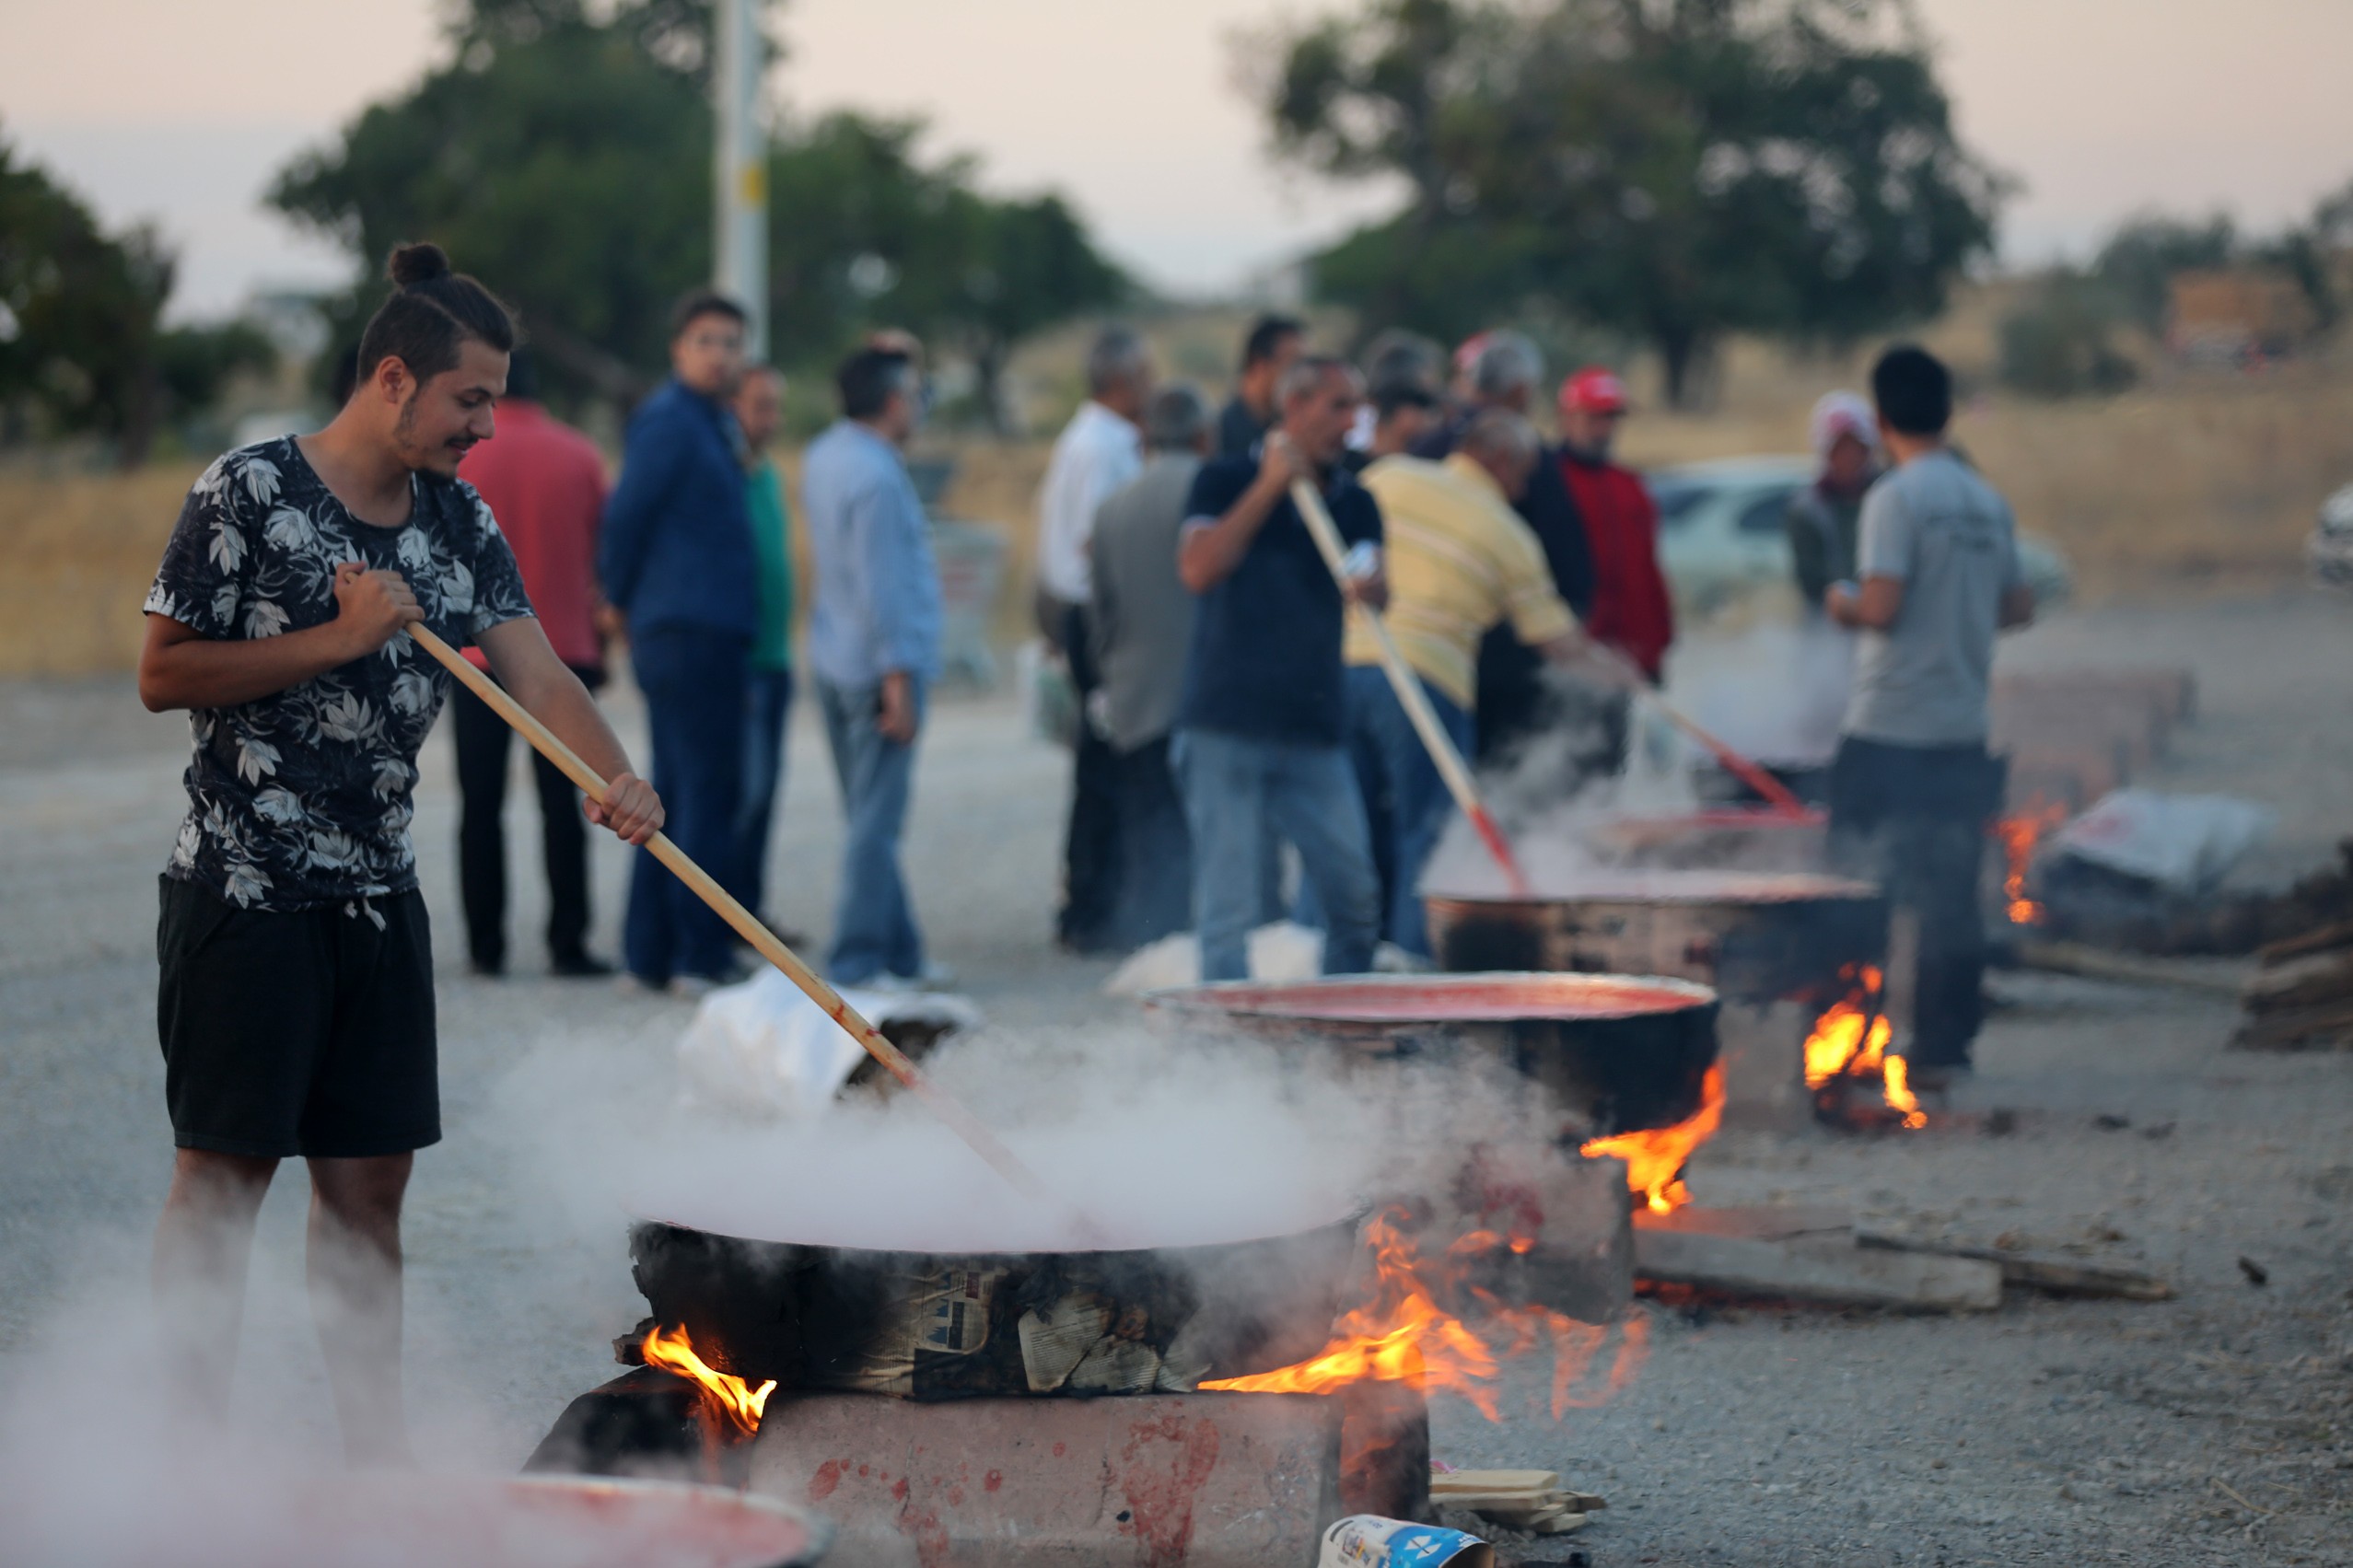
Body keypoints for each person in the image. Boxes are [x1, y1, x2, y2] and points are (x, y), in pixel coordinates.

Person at [138, 243, 663, 1461]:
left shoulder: (455, 515)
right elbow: (163, 673)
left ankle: (372, 1458)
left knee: (368, 1194)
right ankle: (178, 1456)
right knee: (222, 1187)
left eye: (492, 396)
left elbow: (535, 667)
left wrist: (615, 776)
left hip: (378, 899)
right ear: (393, 379)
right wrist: (338, 635)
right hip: (243, 891)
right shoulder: (247, 491)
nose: (486, 423)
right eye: (470, 397)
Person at [1826, 344, 2034, 1084]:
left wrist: (1839, 602)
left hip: (1887, 728)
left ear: (1880, 418)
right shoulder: (1985, 500)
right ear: (1946, 411)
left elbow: (1880, 604)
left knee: (1855, 886)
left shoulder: (1896, 497)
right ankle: (1945, 1047)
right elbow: (2018, 604)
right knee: (1950, 896)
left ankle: (1845, 1041)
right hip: (1961, 729)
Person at [1175, 355, 1386, 982]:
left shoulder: (1356, 502)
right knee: (1229, 906)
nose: (1350, 423)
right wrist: (1268, 486)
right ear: (1294, 408)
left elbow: (1376, 586)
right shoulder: (1221, 478)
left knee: (1354, 897)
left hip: (1313, 727)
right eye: (1337, 406)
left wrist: (1373, 587)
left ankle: (1346, 1029)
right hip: (1225, 721)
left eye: (1356, 407)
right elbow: (1198, 568)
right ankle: (1225, 1053)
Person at [1352, 410, 1588, 953]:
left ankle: (1315, 962)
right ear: (1501, 462)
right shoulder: (1507, 531)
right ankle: (1411, 962)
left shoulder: (1389, 477)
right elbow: (1554, 640)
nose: (1526, 488)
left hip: (1346, 670)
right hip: (1431, 682)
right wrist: (1618, 671)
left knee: (1342, 829)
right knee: (1429, 837)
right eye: (1524, 474)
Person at [599, 290, 757, 995]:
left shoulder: (713, 421)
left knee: (675, 789)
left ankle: (654, 953)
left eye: (731, 341)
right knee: (702, 791)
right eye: (706, 340)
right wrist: (615, 598)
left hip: (708, 627)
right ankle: (697, 955)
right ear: (678, 349)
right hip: (684, 628)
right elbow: (626, 514)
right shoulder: (667, 420)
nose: (720, 354)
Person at [448, 348, 612, 978]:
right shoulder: (580, 455)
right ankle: (567, 942)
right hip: (564, 652)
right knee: (564, 804)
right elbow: (604, 555)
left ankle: (485, 947)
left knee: (480, 803)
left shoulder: (465, 453)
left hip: (476, 656)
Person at [801, 345, 943, 987]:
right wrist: (898, 681)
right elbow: (884, 585)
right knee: (875, 824)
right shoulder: (879, 477)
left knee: (866, 817)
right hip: (877, 667)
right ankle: (857, 960)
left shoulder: (824, 456)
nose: (917, 406)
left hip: (834, 656)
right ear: (892, 403)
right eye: (912, 394)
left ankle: (902, 954)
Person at [1413, 331, 1599, 762]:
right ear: (1520, 392)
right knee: (1506, 781)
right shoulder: (1529, 457)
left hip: (1421, 656)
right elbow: (1567, 562)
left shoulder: (1422, 450)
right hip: (1506, 657)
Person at [1035, 327, 1152, 952]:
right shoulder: (1100, 447)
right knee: (1103, 766)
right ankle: (1089, 907)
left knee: (1100, 761)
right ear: (1122, 381)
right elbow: (1095, 545)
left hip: (1083, 612)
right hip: (1097, 616)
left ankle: (1093, 900)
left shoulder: (1089, 440)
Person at [1088, 382, 1211, 949]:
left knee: (1151, 829)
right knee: (1209, 831)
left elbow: (1101, 615)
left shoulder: (1111, 508)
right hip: (1206, 693)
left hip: (1137, 694)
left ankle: (1152, 941)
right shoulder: (1213, 494)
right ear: (1202, 434)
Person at [731, 363, 800, 936]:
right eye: (761, 406)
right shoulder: (722, 473)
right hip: (741, 663)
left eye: (776, 407)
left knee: (765, 795)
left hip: (776, 659)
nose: (772, 420)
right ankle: (724, 918)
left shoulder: (767, 473)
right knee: (740, 796)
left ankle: (750, 915)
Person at [1555, 366, 1675, 681]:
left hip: (1633, 652)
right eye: (1594, 418)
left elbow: (1649, 567)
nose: (1604, 429)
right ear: (1567, 417)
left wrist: (1658, 640)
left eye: (1611, 419)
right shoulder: (1548, 482)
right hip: (1574, 652)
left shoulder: (1630, 485)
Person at [1787, 390, 1882, 611]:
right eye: (1839, 448)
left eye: (1855, 447)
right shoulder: (1807, 508)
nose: (1849, 457)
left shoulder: (1886, 496)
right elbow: (1811, 580)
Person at [1216, 313, 1305, 459]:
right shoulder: (1218, 432)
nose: (1302, 376)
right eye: (1294, 364)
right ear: (1259, 365)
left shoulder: (1286, 428)